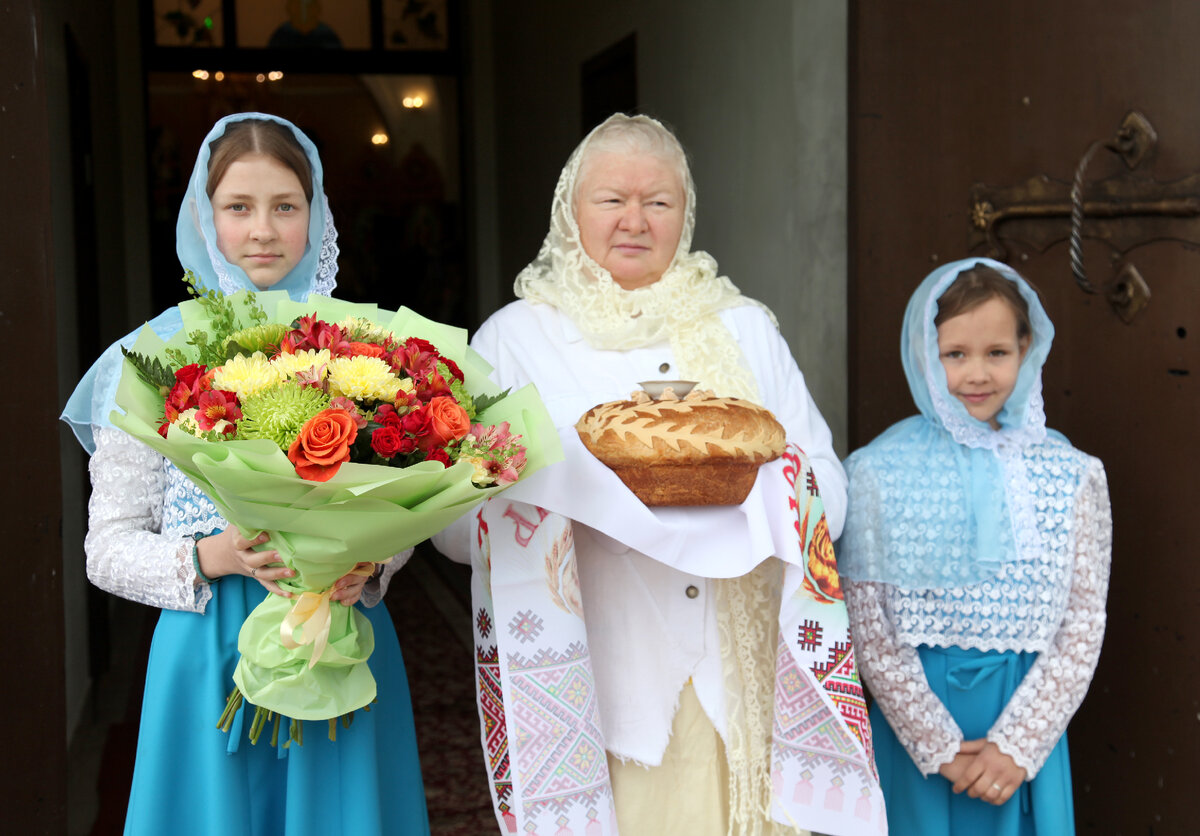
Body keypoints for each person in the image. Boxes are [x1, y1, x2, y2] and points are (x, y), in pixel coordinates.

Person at [434, 114, 881, 836]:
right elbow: (451, 520)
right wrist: (570, 492)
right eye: (612, 200)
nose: (634, 221)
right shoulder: (513, 339)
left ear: (687, 213)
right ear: (571, 210)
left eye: (659, 202)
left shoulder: (743, 328)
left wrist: (738, 501)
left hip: (744, 687)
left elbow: (824, 481)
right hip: (599, 687)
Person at [61, 113, 430, 836]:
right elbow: (105, 551)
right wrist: (213, 556)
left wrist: (375, 561)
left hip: (338, 636)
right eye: (239, 207)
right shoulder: (149, 363)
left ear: (315, 216)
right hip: (207, 648)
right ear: (206, 217)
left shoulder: (370, 354)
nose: (263, 230)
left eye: (285, 206)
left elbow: (409, 496)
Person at [837, 258, 1112, 835]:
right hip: (916, 722)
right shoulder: (875, 473)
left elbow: (1082, 620)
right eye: (955, 354)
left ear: (1026, 348)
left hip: (1025, 717)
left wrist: (1019, 744)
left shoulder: (1071, 474)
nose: (976, 374)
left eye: (997, 353)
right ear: (923, 354)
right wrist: (932, 740)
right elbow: (869, 623)